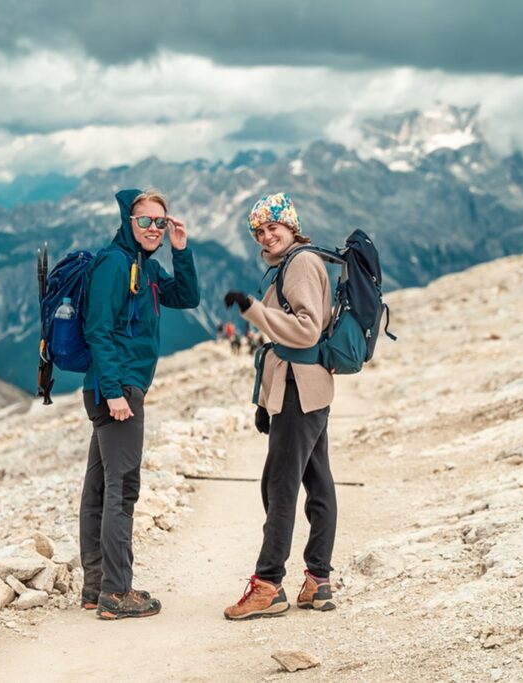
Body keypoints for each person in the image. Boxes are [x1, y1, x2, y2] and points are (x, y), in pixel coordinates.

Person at [79, 188, 200, 620]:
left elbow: (186, 297)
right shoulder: (115, 263)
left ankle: (96, 590)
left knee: (99, 489)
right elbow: (98, 330)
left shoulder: (143, 265)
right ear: (128, 222)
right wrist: (114, 392)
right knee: (123, 489)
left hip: (116, 387)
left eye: (160, 223)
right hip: (118, 390)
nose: (153, 229)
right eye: (145, 221)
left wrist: (181, 251)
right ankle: (116, 591)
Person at [222, 192, 337, 620]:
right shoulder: (289, 264)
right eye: (260, 230)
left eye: (274, 227)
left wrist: (252, 310)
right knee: (317, 483)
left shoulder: (301, 263)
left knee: (280, 487)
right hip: (304, 390)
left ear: (292, 226)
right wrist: (263, 400)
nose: (267, 235)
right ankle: (318, 582)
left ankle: (268, 584)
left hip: (298, 390)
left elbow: (305, 332)